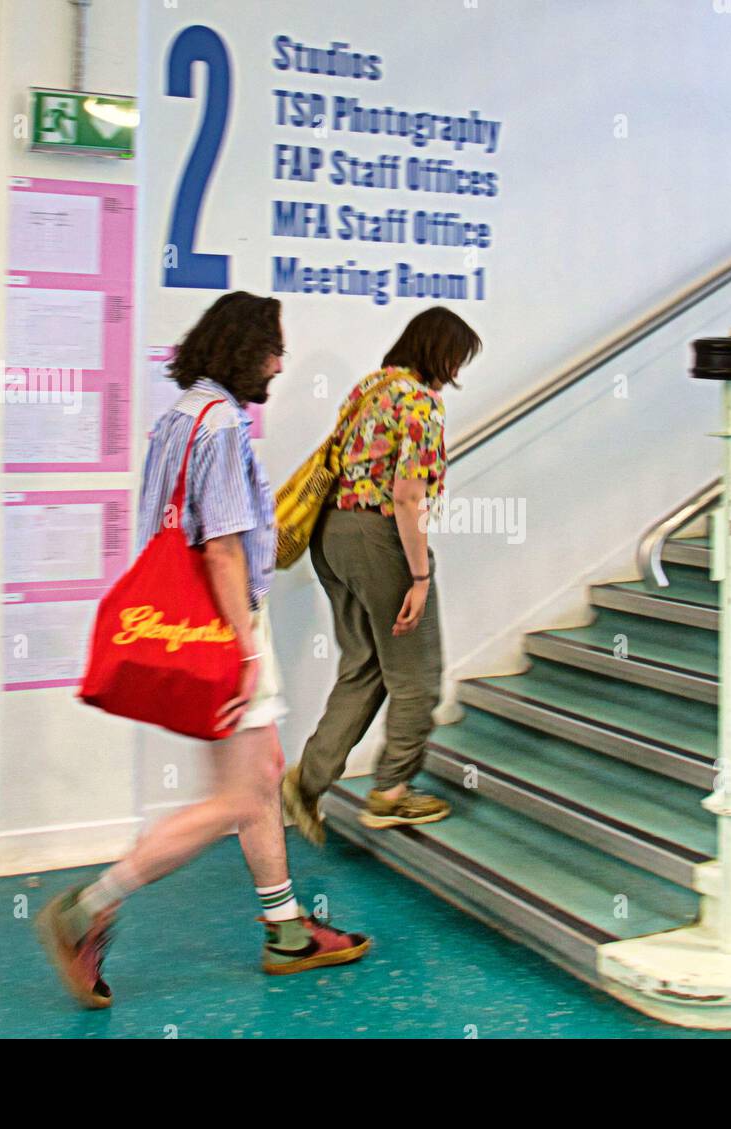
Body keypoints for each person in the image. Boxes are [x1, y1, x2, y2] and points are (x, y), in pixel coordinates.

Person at [35, 291, 369, 1009]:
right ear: (243, 349)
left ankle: (285, 928)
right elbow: (220, 548)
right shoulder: (221, 426)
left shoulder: (176, 418)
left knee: (262, 772)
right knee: (238, 796)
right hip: (226, 625)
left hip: (195, 624)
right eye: (272, 349)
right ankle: (89, 904)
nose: (280, 363)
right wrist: (246, 650)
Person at [282, 307, 481, 843]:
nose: (456, 371)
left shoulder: (371, 387)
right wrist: (418, 577)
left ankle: (308, 781)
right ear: (440, 352)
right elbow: (407, 496)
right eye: (456, 358)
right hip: (376, 538)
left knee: (364, 664)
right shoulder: (421, 402)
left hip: (330, 535)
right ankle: (391, 794)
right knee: (417, 674)